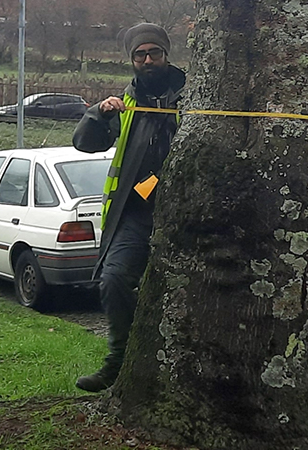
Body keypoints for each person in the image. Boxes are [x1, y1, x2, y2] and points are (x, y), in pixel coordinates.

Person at [71, 23, 185, 392]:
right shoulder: (126, 101)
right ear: (132, 60)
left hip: (187, 213)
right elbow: (85, 145)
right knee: (114, 280)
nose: (148, 60)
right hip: (135, 213)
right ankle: (120, 361)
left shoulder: (192, 95)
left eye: (154, 52)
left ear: (167, 55)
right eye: (140, 55)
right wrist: (98, 114)